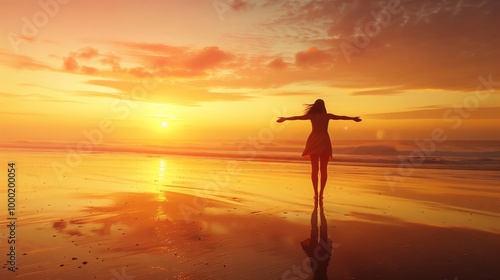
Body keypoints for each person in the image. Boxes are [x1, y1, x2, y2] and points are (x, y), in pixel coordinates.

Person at [277, 99, 361, 200]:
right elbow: (341, 117)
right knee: (323, 170)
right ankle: (321, 193)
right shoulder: (327, 116)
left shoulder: (312, 116)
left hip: (313, 141)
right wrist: (353, 118)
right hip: (324, 141)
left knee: (314, 170)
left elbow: (297, 118)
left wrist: (285, 119)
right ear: (323, 106)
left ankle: (316, 193)